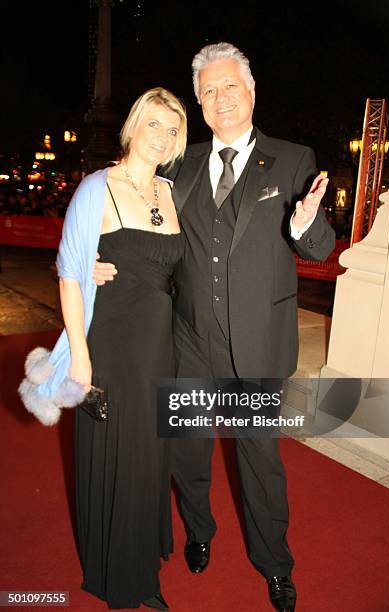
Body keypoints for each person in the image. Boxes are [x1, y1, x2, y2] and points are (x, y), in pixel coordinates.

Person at [93, 43, 336, 611]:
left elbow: (322, 245)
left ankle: (274, 563)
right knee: (189, 453)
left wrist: (304, 225)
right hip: (190, 339)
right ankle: (199, 530)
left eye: (229, 86)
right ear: (199, 103)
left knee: (259, 463)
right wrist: (104, 264)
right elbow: (151, 230)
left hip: (257, 344)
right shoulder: (182, 164)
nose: (220, 98)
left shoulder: (292, 157)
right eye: (208, 90)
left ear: (251, 93)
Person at [19, 87, 187, 610]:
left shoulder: (169, 191)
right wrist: (83, 360)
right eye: (153, 124)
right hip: (112, 344)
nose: (161, 137)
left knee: (152, 453)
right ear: (133, 126)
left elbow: (170, 269)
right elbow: (70, 275)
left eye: (172, 129)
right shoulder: (97, 187)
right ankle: (126, 576)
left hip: (161, 345)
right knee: (125, 454)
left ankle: (145, 546)